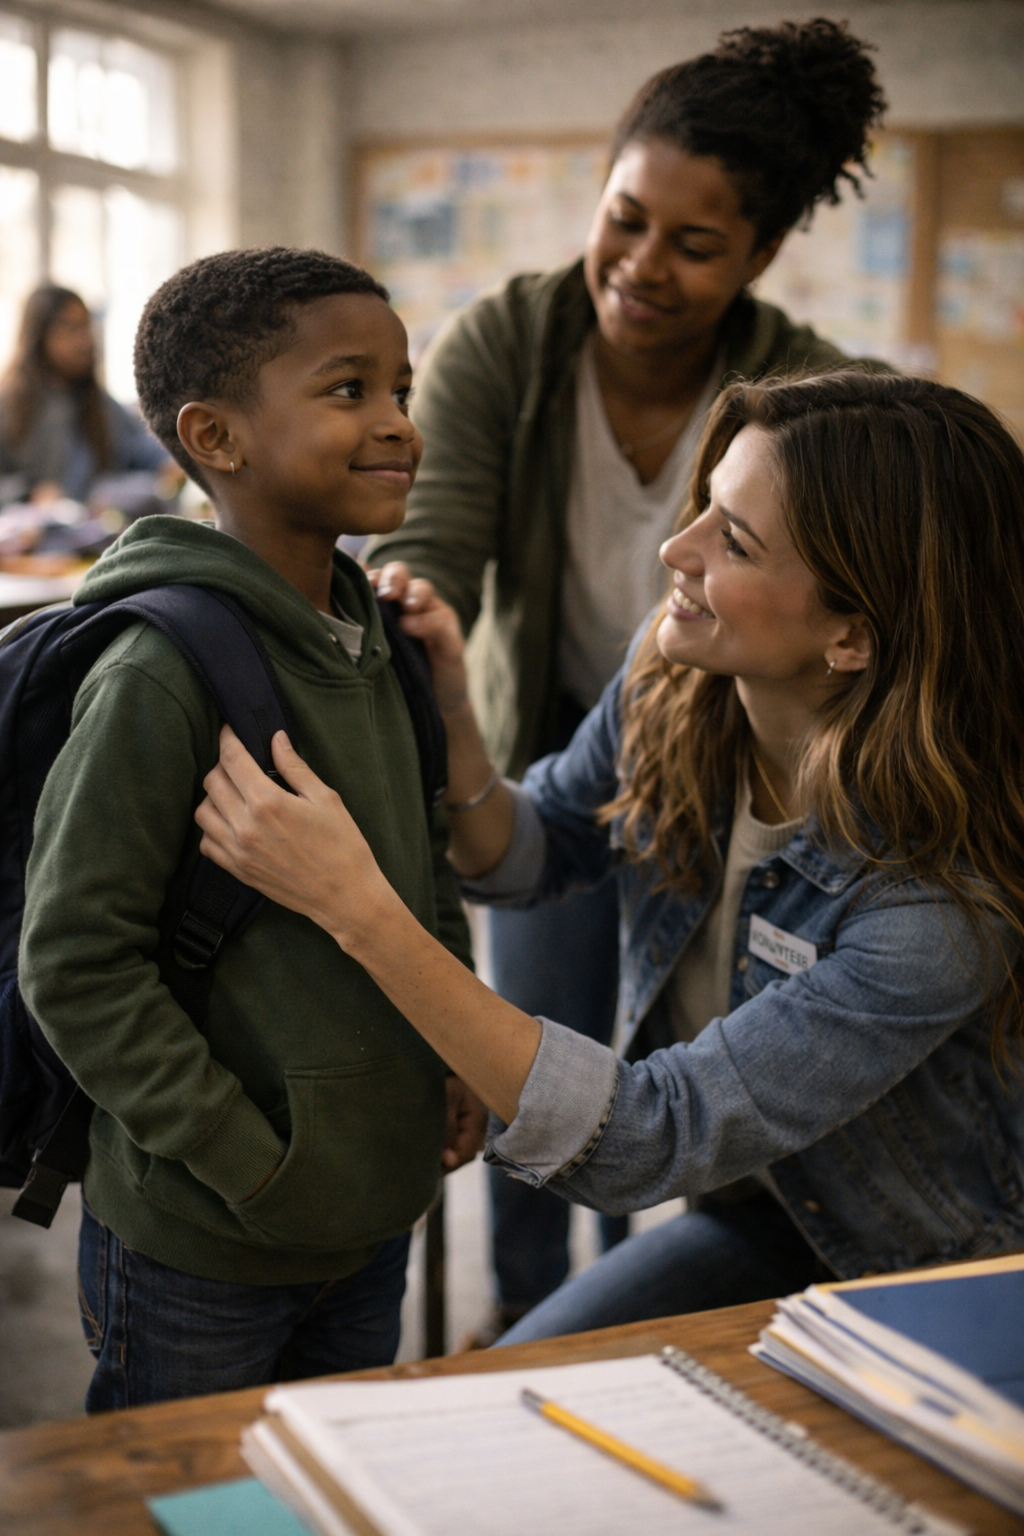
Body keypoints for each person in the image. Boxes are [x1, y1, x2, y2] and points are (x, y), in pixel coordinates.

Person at [194, 369, 1024, 1347]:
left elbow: (645, 1136)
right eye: (708, 506)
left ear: (849, 635)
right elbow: (528, 855)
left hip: (937, 1272)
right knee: (504, 1398)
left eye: (735, 541)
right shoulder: (678, 677)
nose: (678, 549)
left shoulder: (936, 908)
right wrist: (455, 713)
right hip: (760, 1218)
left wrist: (359, 910)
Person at [366, 18, 888, 1336]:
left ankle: (624, 1278)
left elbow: (907, 530)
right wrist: (412, 624)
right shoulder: (514, 341)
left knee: (675, 1050)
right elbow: (438, 552)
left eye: (695, 244)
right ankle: (538, 1300)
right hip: (587, 724)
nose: (642, 265)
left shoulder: (802, 401)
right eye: (625, 219)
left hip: (736, 737)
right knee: (537, 1030)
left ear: (762, 256)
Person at [18, 247, 483, 1412]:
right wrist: (249, 1165)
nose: (397, 425)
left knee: (323, 1484)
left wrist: (455, 1038)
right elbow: (75, 964)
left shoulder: (373, 639)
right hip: (204, 1244)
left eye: (401, 390)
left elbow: (420, 863)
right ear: (214, 438)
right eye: (348, 391)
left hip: (371, 1208)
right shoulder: (160, 670)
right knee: (196, 1500)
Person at [0, 284, 169, 506]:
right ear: (40, 335)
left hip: (97, 531)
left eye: (86, 327)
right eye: (71, 328)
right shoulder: (11, 406)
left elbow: (140, 450)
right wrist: (29, 495)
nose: (85, 341)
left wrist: (172, 462)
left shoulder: (98, 403)